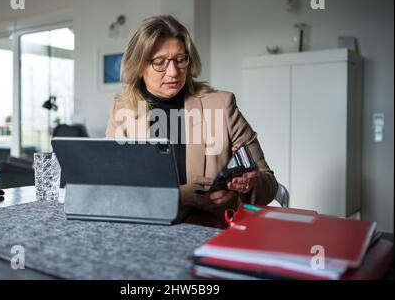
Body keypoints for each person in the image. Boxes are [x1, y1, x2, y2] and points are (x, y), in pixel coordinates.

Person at [106, 15, 277, 224]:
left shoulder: (222, 105)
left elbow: (269, 186)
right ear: (140, 67)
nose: (173, 72)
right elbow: (112, 190)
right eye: (160, 62)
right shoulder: (122, 111)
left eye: (180, 60)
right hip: (144, 233)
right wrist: (180, 197)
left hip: (211, 232)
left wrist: (251, 183)